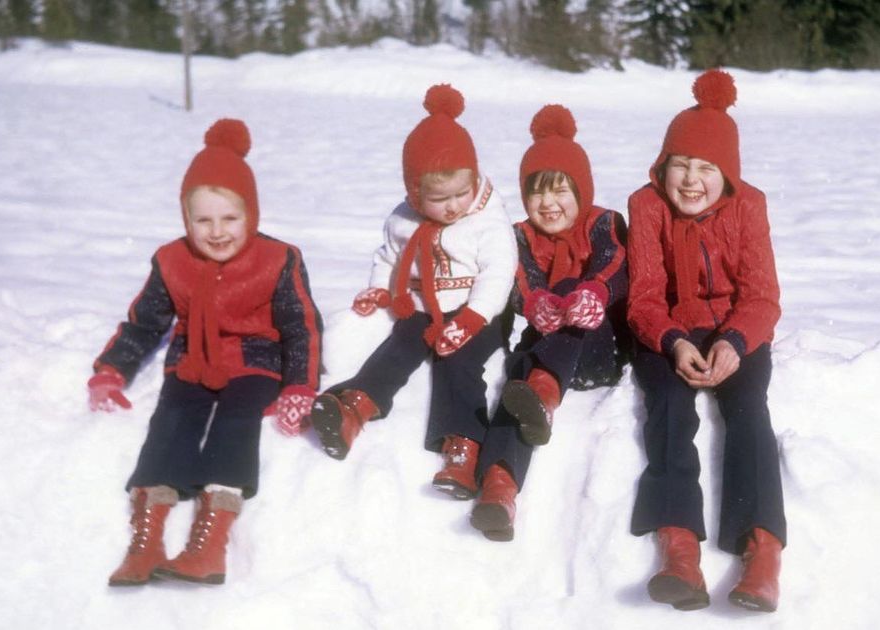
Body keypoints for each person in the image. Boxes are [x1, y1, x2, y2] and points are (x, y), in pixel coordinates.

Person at [88, 119, 323, 587]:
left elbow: (303, 326)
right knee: (170, 421)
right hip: (192, 359)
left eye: (230, 219)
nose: (216, 232)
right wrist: (111, 371)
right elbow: (144, 321)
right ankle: (147, 537)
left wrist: (300, 385)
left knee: (235, 425)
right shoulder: (172, 260)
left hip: (256, 362)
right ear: (186, 219)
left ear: (250, 215)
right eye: (203, 220)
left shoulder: (279, 259)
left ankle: (210, 542)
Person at [626, 69, 786, 612]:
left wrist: (736, 342)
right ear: (662, 167)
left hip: (733, 327)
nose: (691, 181)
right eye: (680, 166)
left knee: (748, 411)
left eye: (706, 169)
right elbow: (644, 294)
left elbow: (763, 295)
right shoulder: (646, 207)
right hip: (668, 327)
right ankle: (679, 551)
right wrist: (670, 341)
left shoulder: (748, 207)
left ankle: (760, 552)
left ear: (728, 174)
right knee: (668, 408)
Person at [309, 84, 517, 501]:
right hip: (423, 306)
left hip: (481, 311)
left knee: (457, 361)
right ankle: (358, 405)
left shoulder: (486, 224)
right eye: (440, 199)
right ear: (414, 192)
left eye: (462, 192)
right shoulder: (403, 221)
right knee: (400, 346)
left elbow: (499, 274)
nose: (454, 207)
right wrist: (379, 291)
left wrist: (472, 319)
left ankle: (464, 446)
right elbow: (388, 256)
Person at [468, 104, 630, 541]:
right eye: (537, 193)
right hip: (543, 359)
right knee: (519, 379)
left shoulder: (604, 222)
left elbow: (616, 263)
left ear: (582, 190)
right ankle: (498, 490)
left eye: (560, 190)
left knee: (574, 287)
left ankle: (543, 392)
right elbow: (519, 277)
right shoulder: (519, 234)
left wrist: (591, 294)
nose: (548, 203)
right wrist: (533, 301)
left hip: (597, 350)